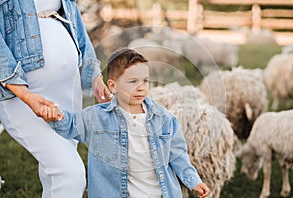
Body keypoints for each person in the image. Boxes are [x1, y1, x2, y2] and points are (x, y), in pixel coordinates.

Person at [43, 48, 210, 198]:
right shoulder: (97, 118)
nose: (141, 87)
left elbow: (178, 155)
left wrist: (193, 180)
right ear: (113, 86)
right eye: (133, 82)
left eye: (145, 81)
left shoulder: (164, 119)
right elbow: (71, 124)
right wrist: (54, 115)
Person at [0, 0, 110, 197]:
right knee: (70, 174)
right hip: (22, 93)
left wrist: (94, 75)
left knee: (55, 173)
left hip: (68, 89)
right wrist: (24, 93)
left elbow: (74, 22)